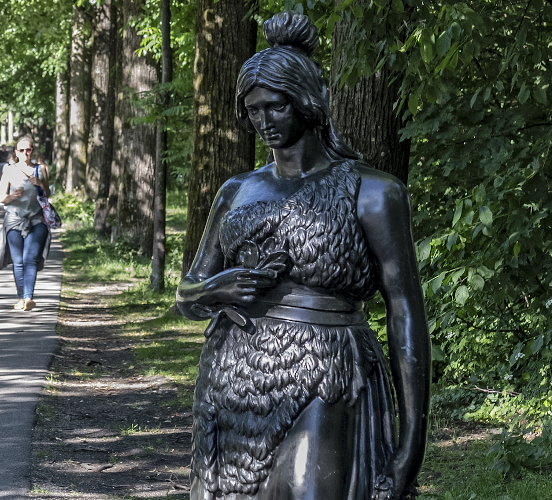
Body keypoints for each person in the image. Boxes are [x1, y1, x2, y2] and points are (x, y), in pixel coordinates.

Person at [173, 12, 428, 500]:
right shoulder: (237, 192)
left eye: (275, 107)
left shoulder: (373, 192)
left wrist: (409, 446)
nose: (262, 121)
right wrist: (214, 288)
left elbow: (405, 311)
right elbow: (187, 293)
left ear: (306, 102)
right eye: (252, 110)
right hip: (234, 374)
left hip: (327, 369)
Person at [0, 136, 50, 311]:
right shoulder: (9, 170)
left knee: (30, 259)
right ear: (16, 152)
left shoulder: (40, 169)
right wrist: (13, 196)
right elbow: (0, 197)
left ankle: (28, 297)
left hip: (36, 219)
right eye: (21, 150)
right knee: (18, 261)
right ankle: (21, 298)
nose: (25, 153)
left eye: (28, 150)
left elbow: (47, 194)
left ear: (32, 151)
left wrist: (40, 184)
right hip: (14, 219)